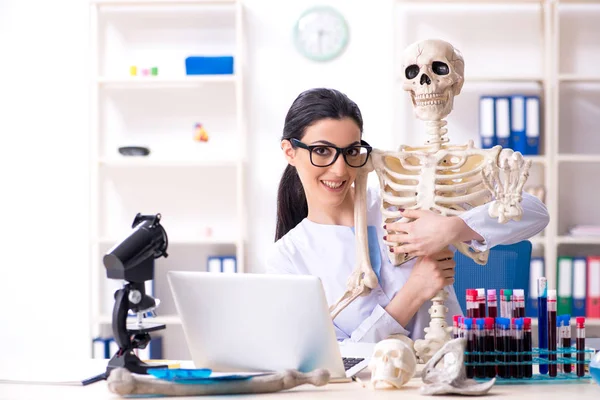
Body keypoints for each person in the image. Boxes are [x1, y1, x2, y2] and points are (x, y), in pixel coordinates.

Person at [265, 88, 549, 343]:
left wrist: (454, 228)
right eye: (322, 151)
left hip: (449, 372)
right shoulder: (288, 258)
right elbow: (334, 361)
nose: (340, 170)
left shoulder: (405, 203)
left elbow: (535, 212)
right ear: (289, 151)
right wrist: (413, 293)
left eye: (351, 151)